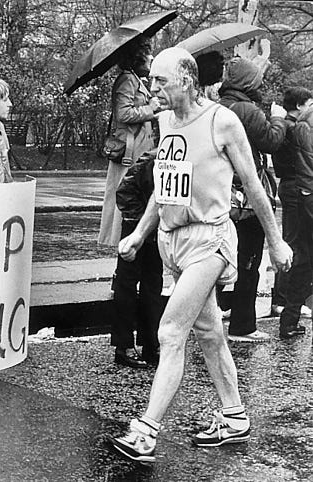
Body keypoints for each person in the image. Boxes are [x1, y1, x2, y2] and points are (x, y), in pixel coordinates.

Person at [109, 47, 292, 463]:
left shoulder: (221, 121)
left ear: (187, 81)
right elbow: (165, 184)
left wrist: (276, 241)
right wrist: (140, 233)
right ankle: (234, 416)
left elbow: (254, 185)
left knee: (171, 332)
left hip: (210, 240)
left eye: (160, 81)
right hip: (172, 240)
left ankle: (146, 431)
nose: (152, 88)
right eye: (152, 79)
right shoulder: (165, 120)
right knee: (209, 333)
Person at [217, 57, 287, 342]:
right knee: (249, 259)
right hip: (246, 197)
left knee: (218, 256)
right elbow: (270, 140)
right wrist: (279, 118)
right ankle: (243, 326)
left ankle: (213, 315)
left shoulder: (218, 106)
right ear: (249, 82)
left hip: (221, 193)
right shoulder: (247, 109)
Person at [98, 34, 160, 251]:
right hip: (130, 151)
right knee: (127, 194)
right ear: (137, 57)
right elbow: (123, 114)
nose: (151, 58)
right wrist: (150, 109)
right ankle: (124, 238)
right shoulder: (127, 79)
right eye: (148, 54)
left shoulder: (134, 79)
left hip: (138, 146)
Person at [111, 155, 164, 368]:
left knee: (152, 287)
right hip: (140, 227)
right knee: (127, 286)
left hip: (153, 228)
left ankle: (150, 344)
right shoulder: (149, 162)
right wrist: (141, 226)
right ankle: (123, 346)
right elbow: (124, 192)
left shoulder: (162, 160)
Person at [270, 87, 313, 319]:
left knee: (293, 241)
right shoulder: (293, 128)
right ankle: (283, 298)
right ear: (298, 106)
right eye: (309, 103)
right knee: (295, 243)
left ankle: (283, 298)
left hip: (289, 185)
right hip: (296, 187)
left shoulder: (286, 127)